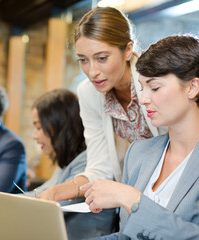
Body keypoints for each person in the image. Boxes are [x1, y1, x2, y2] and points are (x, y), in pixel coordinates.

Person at [38, 7, 166, 202]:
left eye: (102, 58)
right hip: (135, 193)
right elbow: (100, 167)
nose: (92, 72)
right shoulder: (88, 93)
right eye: (83, 60)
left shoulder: (157, 79)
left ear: (128, 50)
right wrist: (57, 192)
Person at [81, 34, 199, 239]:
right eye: (142, 88)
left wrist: (131, 198)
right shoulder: (139, 153)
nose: (143, 99)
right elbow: (126, 235)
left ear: (192, 87)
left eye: (154, 88)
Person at [28, 89, 117, 239]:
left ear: (59, 125)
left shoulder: (87, 163)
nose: (34, 135)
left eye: (38, 127)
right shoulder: (66, 163)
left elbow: (48, 205)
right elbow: (42, 192)